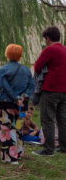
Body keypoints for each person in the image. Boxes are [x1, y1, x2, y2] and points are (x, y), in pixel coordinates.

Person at [0, 44, 34, 164]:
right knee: (18, 128)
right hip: (22, 106)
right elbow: (31, 86)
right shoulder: (27, 70)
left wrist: (16, 98)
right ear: (20, 55)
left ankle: (10, 157)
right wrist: (23, 97)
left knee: (6, 129)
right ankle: (19, 152)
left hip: (6, 104)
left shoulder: (3, 70)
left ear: (7, 54)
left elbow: (4, 87)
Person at [33, 26, 66, 156]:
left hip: (50, 89)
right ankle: (64, 147)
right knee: (63, 120)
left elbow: (37, 66)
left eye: (45, 39)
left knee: (47, 119)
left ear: (48, 38)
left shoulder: (49, 50)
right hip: (64, 91)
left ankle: (48, 149)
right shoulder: (64, 49)